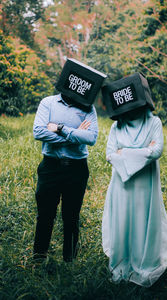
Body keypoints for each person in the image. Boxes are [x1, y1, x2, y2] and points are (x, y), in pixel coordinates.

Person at [102, 73, 167, 287]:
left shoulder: (154, 122)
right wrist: (143, 151)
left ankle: (144, 262)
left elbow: (157, 150)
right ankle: (122, 264)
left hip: (145, 185)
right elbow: (109, 154)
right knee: (122, 220)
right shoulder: (117, 126)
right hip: (121, 185)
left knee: (143, 220)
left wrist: (125, 153)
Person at [33, 58, 106, 262]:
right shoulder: (48, 102)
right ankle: (39, 257)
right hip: (50, 167)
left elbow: (90, 138)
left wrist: (59, 128)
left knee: (71, 217)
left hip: (77, 168)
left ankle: (69, 260)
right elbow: (39, 131)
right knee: (45, 215)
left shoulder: (88, 109)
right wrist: (75, 134)